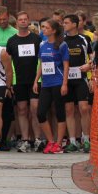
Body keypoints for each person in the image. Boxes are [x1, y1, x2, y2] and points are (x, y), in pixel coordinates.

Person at [6, 12, 43, 152]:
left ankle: (38, 139)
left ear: (28, 21)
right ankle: (25, 139)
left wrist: (37, 79)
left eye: (25, 19)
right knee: (21, 110)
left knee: (35, 108)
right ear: (16, 23)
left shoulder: (36, 39)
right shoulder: (12, 41)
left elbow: (42, 60)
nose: (22, 21)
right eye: (20, 20)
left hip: (35, 80)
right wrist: (10, 83)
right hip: (19, 81)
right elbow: (8, 64)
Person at [34, 19, 69, 154]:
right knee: (41, 113)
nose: (44, 30)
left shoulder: (62, 45)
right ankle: (51, 141)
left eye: (47, 28)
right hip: (46, 83)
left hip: (58, 82)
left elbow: (66, 65)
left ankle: (59, 143)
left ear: (53, 30)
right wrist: (36, 80)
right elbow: (41, 64)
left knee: (60, 113)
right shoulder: (42, 45)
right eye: (43, 27)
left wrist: (64, 83)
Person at [61, 14, 92, 153]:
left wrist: (89, 66)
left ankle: (86, 139)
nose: (64, 25)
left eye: (66, 22)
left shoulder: (84, 39)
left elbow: (92, 57)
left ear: (74, 24)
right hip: (66, 79)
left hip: (81, 78)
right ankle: (73, 141)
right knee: (69, 110)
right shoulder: (62, 40)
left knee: (84, 108)